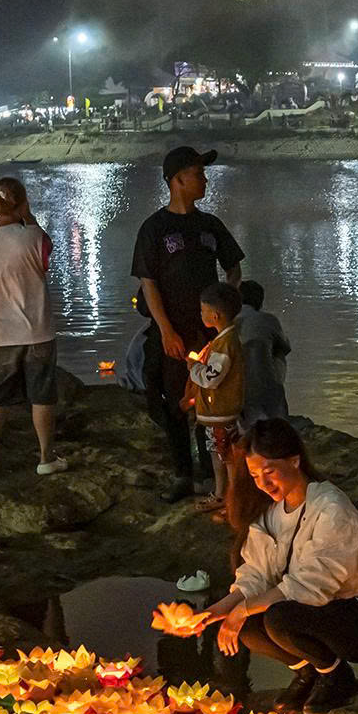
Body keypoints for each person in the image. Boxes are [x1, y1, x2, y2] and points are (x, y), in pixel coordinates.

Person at [199, 418, 358, 710]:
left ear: (295, 460)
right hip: (314, 609)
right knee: (246, 626)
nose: (263, 484)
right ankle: (308, 673)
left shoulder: (331, 509)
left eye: (270, 472)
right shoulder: (273, 512)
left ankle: (338, 677)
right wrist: (218, 611)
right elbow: (257, 572)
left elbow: (310, 585)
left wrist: (245, 608)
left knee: (278, 617)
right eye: (254, 476)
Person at [133, 144, 245, 501]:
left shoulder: (209, 225)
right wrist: (165, 329)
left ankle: (213, 477)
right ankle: (183, 473)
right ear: (176, 180)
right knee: (174, 402)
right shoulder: (155, 228)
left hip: (207, 333)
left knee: (211, 403)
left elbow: (234, 267)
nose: (204, 180)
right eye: (197, 174)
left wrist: (226, 309)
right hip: (173, 331)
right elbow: (148, 282)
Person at [0, 177, 65, 478]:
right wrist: (28, 216)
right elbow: (45, 258)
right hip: (38, 333)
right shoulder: (34, 237)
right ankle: (46, 457)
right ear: (22, 203)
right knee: (42, 395)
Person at [186, 282, 248, 513]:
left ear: (215, 315)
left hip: (221, 412)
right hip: (219, 412)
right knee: (221, 454)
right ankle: (223, 495)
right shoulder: (224, 340)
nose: (200, 315)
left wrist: (194, 368)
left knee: (227, 456)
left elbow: (212, 377)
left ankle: (232, 499)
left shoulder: (224, 344)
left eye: (203, 311)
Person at [237, 279, 292, 424]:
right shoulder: (268, 319)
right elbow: (285, 348)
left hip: (235, 389)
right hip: (265, 390)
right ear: (260, 302)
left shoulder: (226, 320)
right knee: (277, 351)